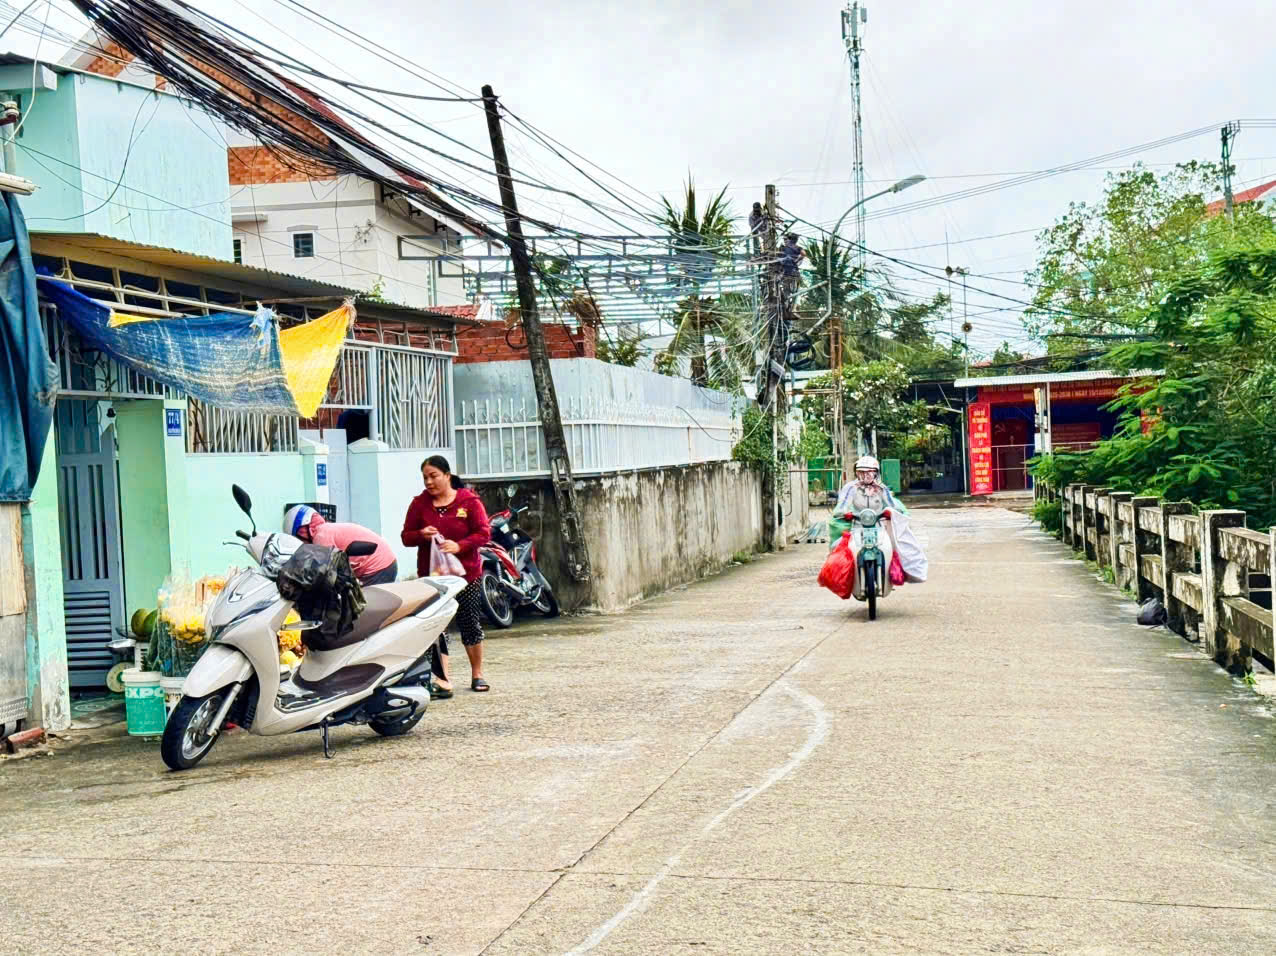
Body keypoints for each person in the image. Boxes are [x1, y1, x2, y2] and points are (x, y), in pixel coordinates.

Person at [401, 455, 491, 695]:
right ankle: (442, 680)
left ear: (447, 476)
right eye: (425, 478)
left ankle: (477, 674)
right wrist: (422, 534)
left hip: (466, 574)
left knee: (469, 622)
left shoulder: (468, 502)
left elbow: (484, 533)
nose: (429, 482)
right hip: (433, 578)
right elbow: (406, 537)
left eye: (434, 476)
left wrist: (460, 546)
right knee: (436, 626)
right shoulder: (419, 504)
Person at [832, 455, 928, 583]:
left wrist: (892, 512)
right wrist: (844, 513)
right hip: (857, 524)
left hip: (879, 524)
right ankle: (848, 577)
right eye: (862, 472)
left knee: (896, 545)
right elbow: (842, 505)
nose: (866, 475)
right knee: (841, 548)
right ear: (856, 472)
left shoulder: (881, 488)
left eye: (870, 471)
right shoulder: (850, 488)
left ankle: (895, 571)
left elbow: (892, 504)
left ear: (876, 473)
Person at [282, 505, 398, 585]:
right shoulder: (325, 530)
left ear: (303, 530)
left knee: (364, 615)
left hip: (379, 568)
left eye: (297, 537)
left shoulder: (321, 536)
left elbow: (324, 571)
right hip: (383, 563)